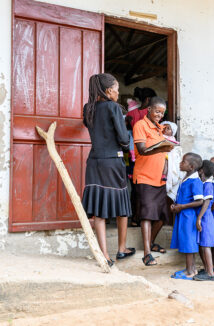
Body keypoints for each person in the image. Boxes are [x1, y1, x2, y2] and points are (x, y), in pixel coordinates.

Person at [81, 73, 134, 267]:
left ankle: (104, 254)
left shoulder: (89, 108)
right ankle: (121, 248)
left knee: (99, 210)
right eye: (117, 89)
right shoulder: (113, 108)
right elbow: (123, 138)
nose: (118, 93)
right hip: (113, 161)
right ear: (110, 90)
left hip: (94, 162)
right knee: (122, 205)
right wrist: (127, 144)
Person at [133, 96, 174, 266]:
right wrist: (161, 147)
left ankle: (150, 243)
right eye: (157, 111)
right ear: (148, 109)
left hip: (160, 179)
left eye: (162, 113)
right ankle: (147, 254)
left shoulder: (160, 128)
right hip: (145, 177)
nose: (159, 115)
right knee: (147, 215)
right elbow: (141, 151)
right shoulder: (140, 126)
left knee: (163, 216)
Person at [169, 153, 204, 280]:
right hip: (183, 215)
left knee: (189, 243)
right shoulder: (186, 178)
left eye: (183, 162)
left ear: (191, 166)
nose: (180, 163)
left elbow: (200, 201)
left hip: (189, 216)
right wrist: (175, 205)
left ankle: (190, 272)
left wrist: (181, 207)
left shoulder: (195, 181)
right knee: (186, 241)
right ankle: (192, 268)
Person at [196, 160, 214, 281]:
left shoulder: (208, 185)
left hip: (206, 217)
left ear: (201, 171)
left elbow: (207, 202)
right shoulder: (205, 183)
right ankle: (207, 269)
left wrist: (199, 218)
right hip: (204, 216)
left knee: (206, 246)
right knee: (203, 246)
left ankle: (210, 274)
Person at [161, 121, 182, 202]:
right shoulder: (158, 136)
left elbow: (173, 149)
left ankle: (164, 175)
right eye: (164, 127)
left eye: (169, 129)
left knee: (167, 162)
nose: (166, 129)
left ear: (173, 132)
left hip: (167, 155)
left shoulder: (172, 139)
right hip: (161, 155)